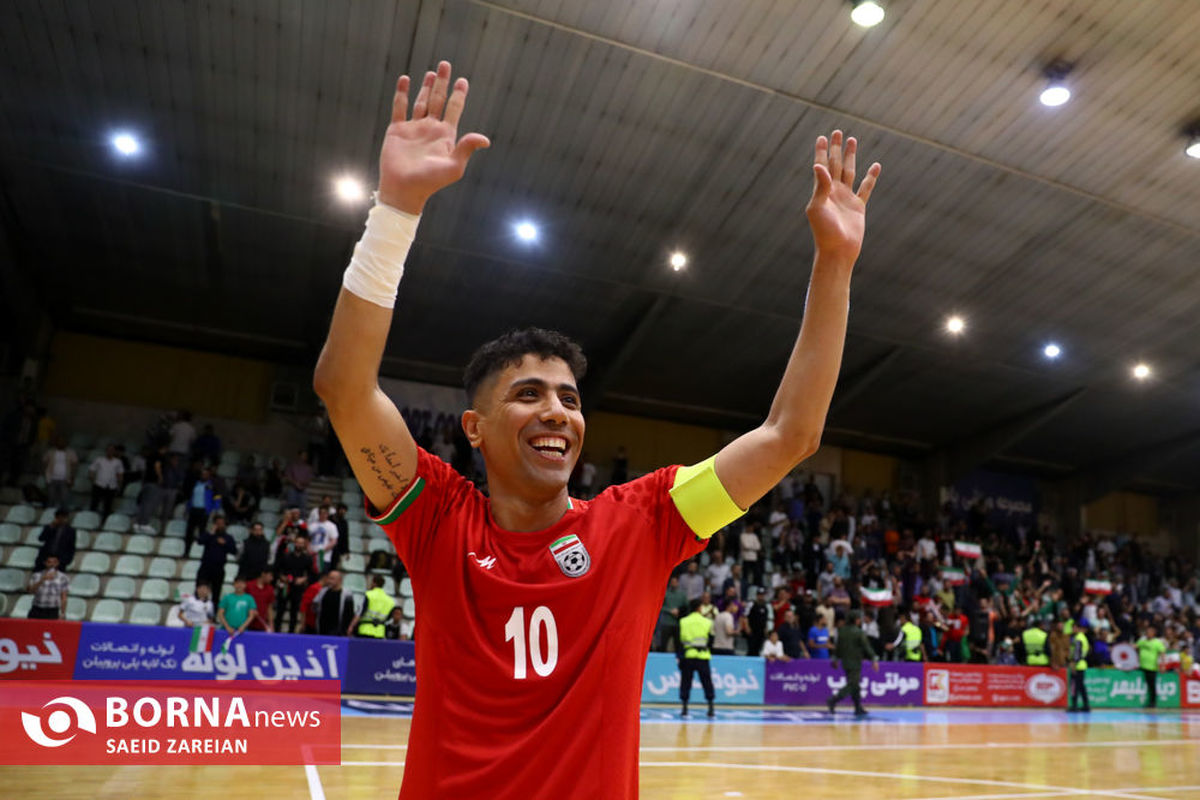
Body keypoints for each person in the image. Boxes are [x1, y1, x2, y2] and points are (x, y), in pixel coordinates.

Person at [311, 60, 880, 798]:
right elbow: (344, 389)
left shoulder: (643, 523)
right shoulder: (437, 519)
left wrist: (835, 264)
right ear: (474, 428)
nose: (558, 412)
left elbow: (789, 436)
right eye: (529, 395)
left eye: (571, 399)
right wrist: (395, 211)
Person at [827, 609, 878, 717]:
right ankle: (833, 700)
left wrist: (835, 658)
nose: (860, 620)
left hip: (845, 662)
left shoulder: (841, 631)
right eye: (859, 618)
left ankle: (858, 707)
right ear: (855, 620)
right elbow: (867, 647)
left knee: (855, 685)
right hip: (855, 662)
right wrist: (874, 658)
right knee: (853, 684)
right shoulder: (859, 632)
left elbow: (838, 647)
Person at [678, 598, 715, 717]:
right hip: (703, 656)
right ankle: (711, 708)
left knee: (685, 682)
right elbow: (711, 640)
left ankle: (684, 708)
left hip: (688, 655)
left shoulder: (683, 621)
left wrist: (679, 656)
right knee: (707, 682)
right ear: (699, 608)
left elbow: (679, 641)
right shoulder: (707, 622)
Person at [196, 515, 238, 604]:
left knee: (216, 593)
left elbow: (234, 551)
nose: (220, 525)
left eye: (222, 523)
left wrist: (225, 544)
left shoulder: (228, 537)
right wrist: (211, 533)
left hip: (219, 568)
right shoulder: (209, 535)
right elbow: (200, 541)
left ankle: (213, 611)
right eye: (218, 523)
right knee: (200, 591)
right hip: (205, 567)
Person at [315, 570, 360, 636]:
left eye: (332, 579)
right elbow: (315, 605)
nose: (329, 581)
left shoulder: (346, 595)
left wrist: (347, 629)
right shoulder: (323, 592)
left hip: (338, 631)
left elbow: (349, 613)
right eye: (329, 578)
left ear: (339, 580)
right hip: (322, 629)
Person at [27, 555, 69, 619]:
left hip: (53, 610)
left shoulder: (63, 577)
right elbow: (30, 591)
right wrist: (42, 580)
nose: (52, 564)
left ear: (58, 563)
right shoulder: (36, 575)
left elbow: (64, 596)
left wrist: (63, 612)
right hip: (37, 608)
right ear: (45, 563)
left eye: (54, 562)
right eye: (49, 562)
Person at [87, 444, 124, 517]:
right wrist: (93, 480)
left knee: (108, 506)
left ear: (114, 451)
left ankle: (105, 520)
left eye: (112, 450)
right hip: (99, 485)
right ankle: (91, 518)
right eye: (109, 450)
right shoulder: (99, 459)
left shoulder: (118, 462)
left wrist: (119, 486)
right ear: (106, 451)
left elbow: (120, 474)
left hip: (111, 486)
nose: (110, 451)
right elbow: (91, 470)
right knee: (94, 504)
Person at [42, 436, 78, 510]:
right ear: (56, 443)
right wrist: (46, 475)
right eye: (59, 441)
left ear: (66, 443)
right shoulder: (50, 452)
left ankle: (63, 514)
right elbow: (44, 462)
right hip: (51, 479)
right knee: (51, 498)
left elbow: (74, 466)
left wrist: (72, 478)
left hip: (65, 479)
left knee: (64, 499)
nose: (61, 443)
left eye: (63, 441)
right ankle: (48, 514)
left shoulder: (71, 453)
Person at [655, 575, 687, 652]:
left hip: (678, 623)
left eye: (675, 582)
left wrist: (679, 611)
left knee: (678, 645)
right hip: (666, 622)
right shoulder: (665, 593)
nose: (674, 584)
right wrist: (670, 610)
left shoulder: (682, 595)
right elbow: (659, 606)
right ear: (669, 583)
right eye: (672, 582)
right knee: (663, 644)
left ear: (678, 583)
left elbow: (686, 607)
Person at [1136, 625, 1166, 709]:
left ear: (1153, 633)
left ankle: (1153, 703)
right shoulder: (1142, 641)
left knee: (1152, 686)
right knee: (1140, 683)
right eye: (1147, 632)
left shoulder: (1157, 643)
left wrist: (1163, 665)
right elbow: (1134, 647)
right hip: (1141, 666)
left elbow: (1162, 654)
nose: (1147, 633)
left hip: (1152, 667)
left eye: (1149, 632)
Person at [1068, 620, 1091, 712]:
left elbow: (1077, 652)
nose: (1073, 629)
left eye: (1074, 627)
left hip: (1077, 665)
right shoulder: (1083, 637)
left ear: (1079, 628)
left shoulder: (1078, 638)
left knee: (1075, 686)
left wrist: (1073, 664)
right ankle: (1086, 705)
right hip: (1082, 664)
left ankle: (1074, 705)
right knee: (1081, 686)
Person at [245, 568, 276, 632]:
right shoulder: (249, 585)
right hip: (245, 624)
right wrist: (250, 610)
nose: (272, 579)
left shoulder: (270, 589)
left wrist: (271, 624)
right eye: (270, 576)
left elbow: (269, 608)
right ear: (263, 574)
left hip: (261, 624)